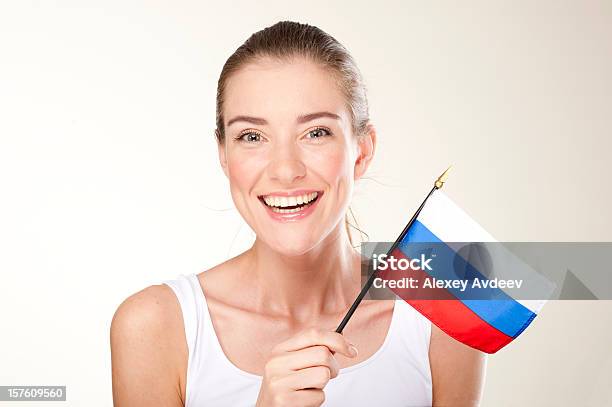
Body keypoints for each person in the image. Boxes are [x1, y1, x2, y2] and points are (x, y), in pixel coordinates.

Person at [110, 20, 486, 406]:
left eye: (316, 132)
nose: (285, 170)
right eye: (252, 137)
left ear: (362, 150)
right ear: (224, 154)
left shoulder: (442, 307)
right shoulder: (154, 327)